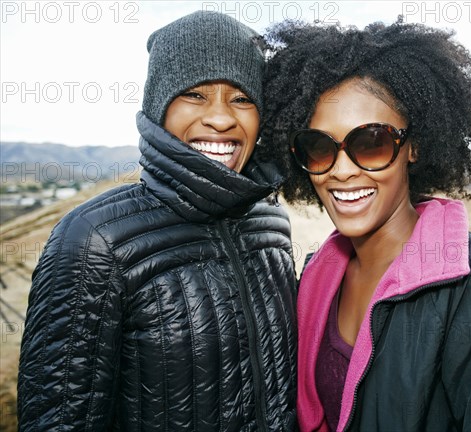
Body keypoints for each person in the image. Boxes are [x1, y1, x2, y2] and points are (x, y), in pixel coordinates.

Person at [262, 19, 471, 431]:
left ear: (414, 147)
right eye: (319, 148)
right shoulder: (316, 278)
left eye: (371, 142)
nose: (342, 171)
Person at [18, 11, 297, 431]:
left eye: (242, 98)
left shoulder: (271, 222)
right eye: (195, 95)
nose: (221, 118)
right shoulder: (93, 240)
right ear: (158, 108)